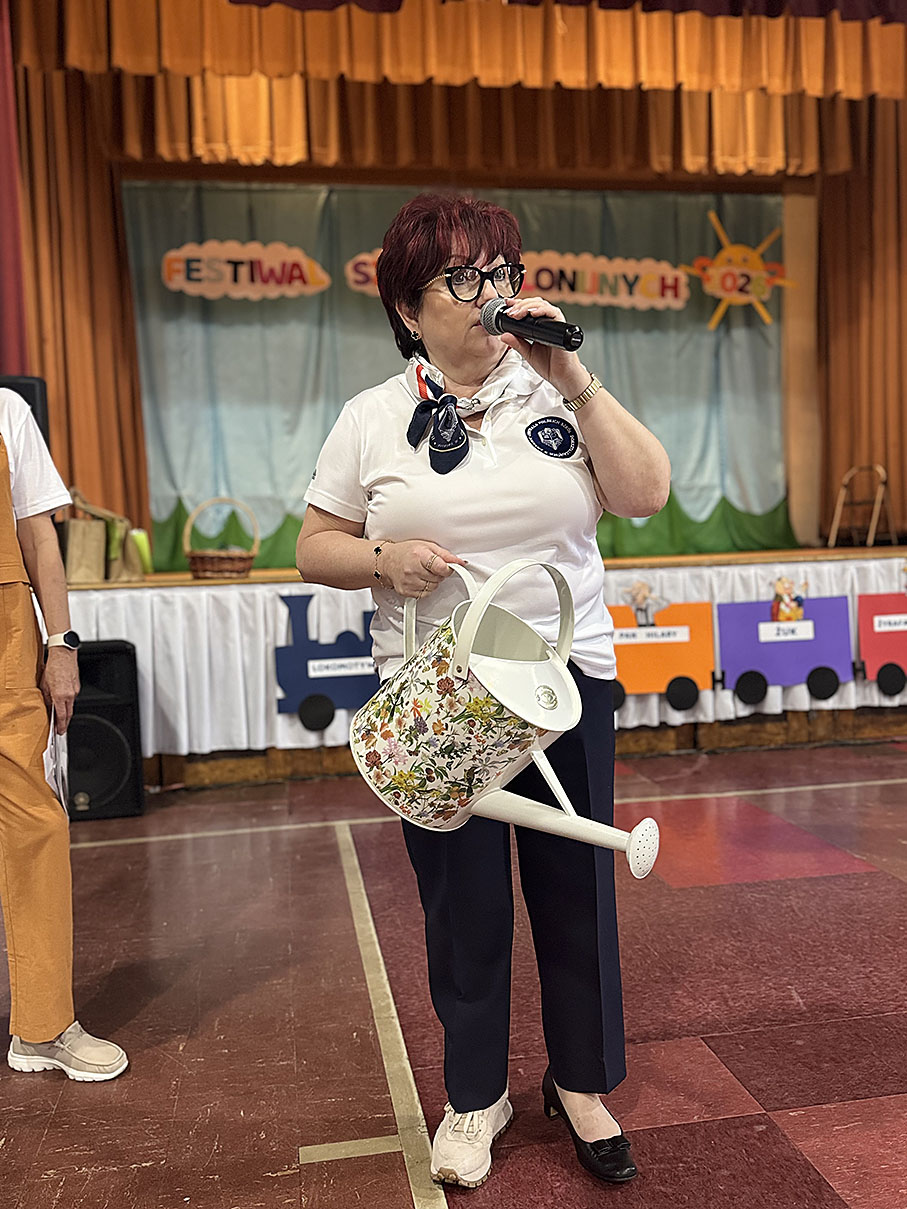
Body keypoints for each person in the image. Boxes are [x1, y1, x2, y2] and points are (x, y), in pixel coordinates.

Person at [296, 193, 670, 1188]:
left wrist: (573, 377)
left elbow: (644, 493)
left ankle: (580, 1083)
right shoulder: (371, 418)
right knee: (462, 904)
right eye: (461, 278)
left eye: (500, 271)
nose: (490, 293)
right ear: (407, 308)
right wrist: (384, 559)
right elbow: (315, 546)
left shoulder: (555, 393)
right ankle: (475, 1095)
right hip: (438, 697)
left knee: (576, 889)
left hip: (563, 684)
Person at [0, 384, 128, 1081]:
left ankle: (43, 1026)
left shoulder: (6, 411)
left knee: (37, 827)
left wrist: (61, 643)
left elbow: (38, 535)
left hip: (7, 640)